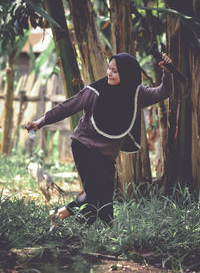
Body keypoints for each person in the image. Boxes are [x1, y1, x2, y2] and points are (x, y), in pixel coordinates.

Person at [25, 52, 172, 226]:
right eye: (109, 69)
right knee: (95, 193)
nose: (109, 73)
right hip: (84, 146)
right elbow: (67, 107)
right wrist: (40, 122)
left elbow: (163, 92)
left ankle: (93, 229)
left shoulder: (137, 94)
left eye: (115, 71)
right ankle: (60, 214)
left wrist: (167, 73)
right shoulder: (95, 91)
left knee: (105, 203)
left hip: (107, 156)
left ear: (127, 74)